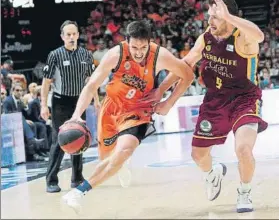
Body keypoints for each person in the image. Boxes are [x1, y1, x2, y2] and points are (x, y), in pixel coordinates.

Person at [144, 0, 268, 213]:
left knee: (243, 148)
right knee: (198, 155)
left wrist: (229, 17)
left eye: (215, 16)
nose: (209, 20)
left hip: (244, 99)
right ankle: (213, 173)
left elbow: (259, 35)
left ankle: (244, 192)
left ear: (228, 16)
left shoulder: (243, 38)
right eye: (209, 16)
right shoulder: (206, 39)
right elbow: (186, 63)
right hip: (215, 99)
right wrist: (162, 90)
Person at [62, 20, 194, 212]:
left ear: (150, 42)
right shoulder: (115, 54)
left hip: (138, 110)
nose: (139, 52)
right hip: (112, 107)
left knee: (123, 151)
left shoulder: (160, 56)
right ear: (126, 42)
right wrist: (76, 115)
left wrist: (168, 102)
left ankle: (77, 193)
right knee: (107, 159)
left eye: (143, 47)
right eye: (134, 47)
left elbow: (188, 75)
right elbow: (91, 85)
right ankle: (121, 164)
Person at [40, 20, 96, 193]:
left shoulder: (86, 55)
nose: (71, 37)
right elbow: (46, 82)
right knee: (60, 139)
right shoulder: (55, 55)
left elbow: (91, 81)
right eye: (68, 35)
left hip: (79, 101)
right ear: (62, 37)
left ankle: (77, 178)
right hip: (60, 102)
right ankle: (51, 180)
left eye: (74, 34)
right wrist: (44, 105)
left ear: (78, 35)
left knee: (80, 137)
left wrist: (97, 100)